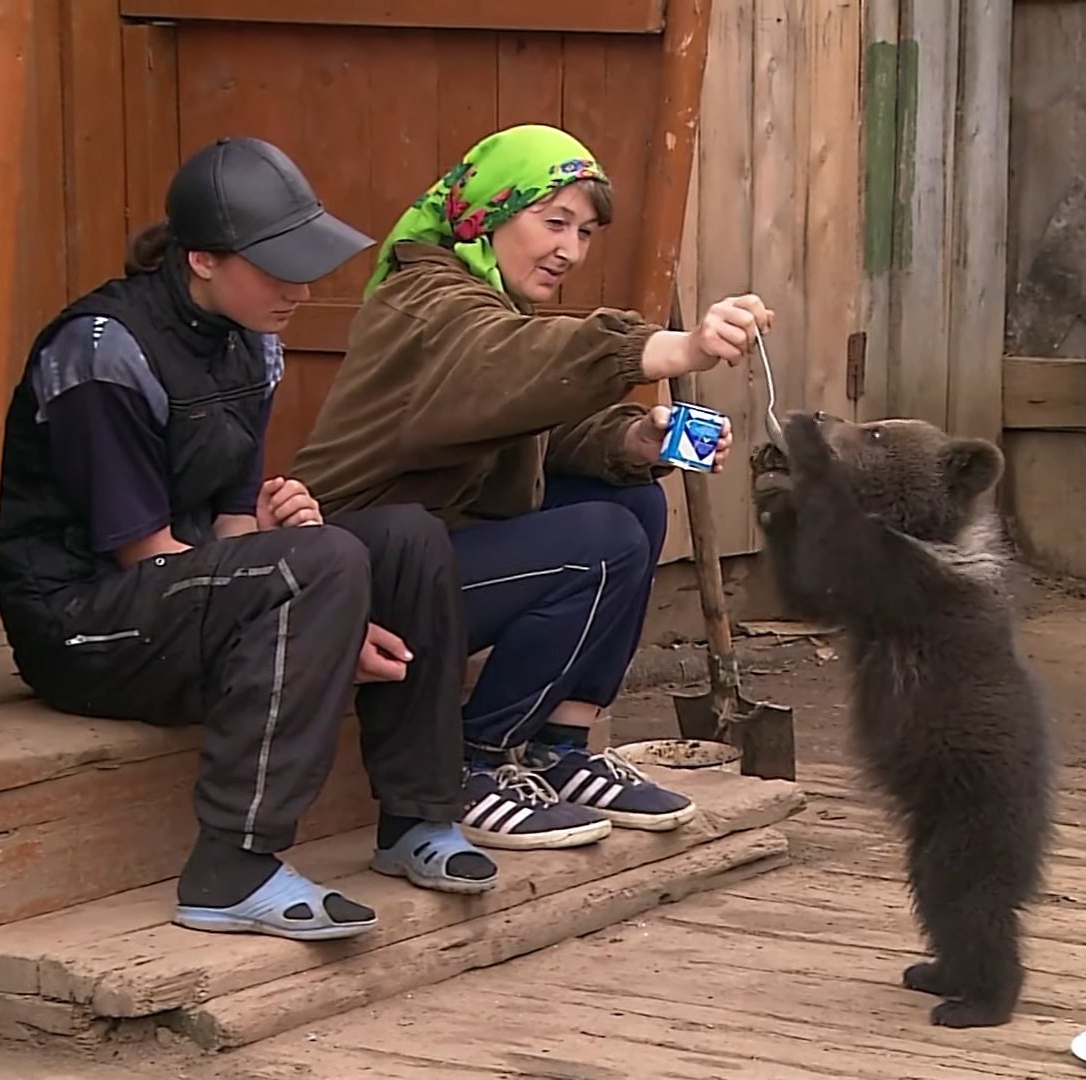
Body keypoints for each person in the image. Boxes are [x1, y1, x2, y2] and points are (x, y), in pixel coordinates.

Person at [0, 137, 499, 943]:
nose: (303, 289)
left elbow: (227, 530)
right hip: (85, 627)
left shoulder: (251, 338)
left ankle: (414, 818)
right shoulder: (100, 352)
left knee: (404, 535)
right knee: (323, 563)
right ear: (201, 259)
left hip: (174, 597)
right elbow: (144, 552)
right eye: (279, 267)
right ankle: (232, 863)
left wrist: (273, 548)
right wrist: (312, 609)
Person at [291, 124, 774, 852]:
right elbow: (510, 362)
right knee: (600, 542)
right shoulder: (426, 301)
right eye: (553, 222)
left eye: (583, 233)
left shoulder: (489, 301)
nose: (570, 251)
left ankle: (563, 748)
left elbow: (531, 428)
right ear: (486, 212)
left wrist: (635, 439)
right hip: (363, 580)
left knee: (633, 499)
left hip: (441, 553)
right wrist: (676, 348)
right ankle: (474, 762)